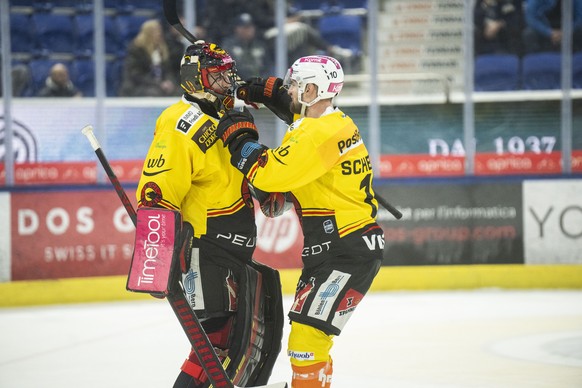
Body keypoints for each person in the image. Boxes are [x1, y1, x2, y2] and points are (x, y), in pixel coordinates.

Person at [216, 55, 385, 387]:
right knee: (307, 343)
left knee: (307, 344)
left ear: (311, 89)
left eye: (294, 84)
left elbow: (267, 175)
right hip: (341, 246)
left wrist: (239, 139)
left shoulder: (314, 134)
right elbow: (297, 116)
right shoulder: (335, 123)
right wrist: (268, 92)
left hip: (344, 250)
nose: (288, 88)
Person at [134, 41, 285, 387]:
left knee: (241, 347)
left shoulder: (230, 115)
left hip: (235, 249)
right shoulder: (178, 124)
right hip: (203, 248)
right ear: (194, 80)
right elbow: (157, 193)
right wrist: (154, 262)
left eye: (229, 74)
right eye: (218, 76)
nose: (229, 83)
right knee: (214, 345)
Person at [263, 7, 354, 68]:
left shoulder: (277, 3)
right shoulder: (259, 3)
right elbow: (261, 20)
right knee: (303, 29)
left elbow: (288, 12)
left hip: (283, 27)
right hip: (267, 31)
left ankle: (303, 66)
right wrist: (286, 20)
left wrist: (294, 17)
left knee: (301, 33)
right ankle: (330, 49)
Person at [119, 19, 180, 97]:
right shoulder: (137, 49)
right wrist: (159, 84)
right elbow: (136, 75)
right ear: (147, 33)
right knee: (154, 93)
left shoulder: (162, 49)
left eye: (159, 31)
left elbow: (168, 70)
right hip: (139, 86)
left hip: (159, 86)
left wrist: (169, 82)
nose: (159, 34)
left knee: (180, 93)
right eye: (155, 31)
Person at [221, 13, 272, 79]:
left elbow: (267, 66)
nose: (248, 30)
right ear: (237, 29)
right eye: (245, 27)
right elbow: (226, 67)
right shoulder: (228, 45)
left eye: (250, 27)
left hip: (258, 83)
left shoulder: (260, 45)